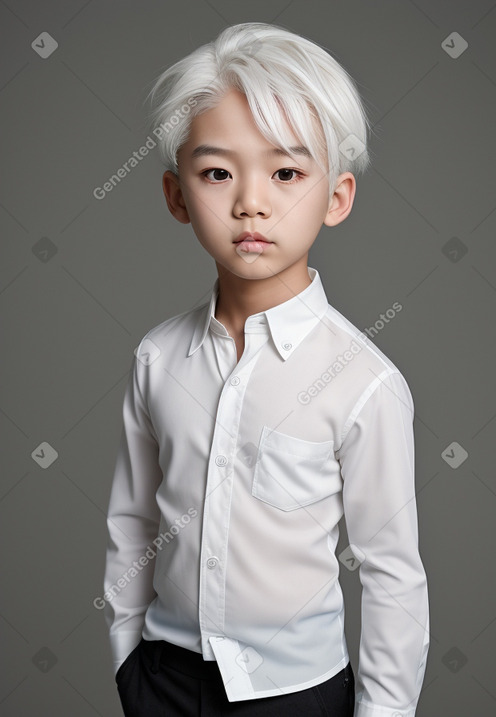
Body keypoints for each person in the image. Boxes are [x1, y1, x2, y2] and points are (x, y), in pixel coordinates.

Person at [102, 21, 430, 717]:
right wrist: (128, 657)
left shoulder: (363, 381)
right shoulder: (158, 359)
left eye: (286, 172)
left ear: (336, 196)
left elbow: (392, 573)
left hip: (297, 694)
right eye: (217, 172)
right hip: (160, 679)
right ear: (176, 194)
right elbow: (132, 520)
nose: (251, 202)